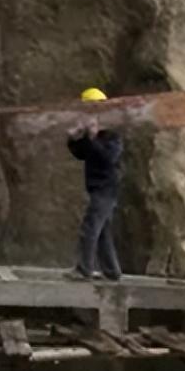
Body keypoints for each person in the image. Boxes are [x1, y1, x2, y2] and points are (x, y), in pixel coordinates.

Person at [64, 87, 124, 281]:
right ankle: (112, 271)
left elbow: (107, 158)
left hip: (107, 189)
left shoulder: (112, 136)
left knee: (90, 227)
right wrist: (73, 140)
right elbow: (82, 153)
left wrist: (92, 138)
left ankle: (84, 270)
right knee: (103, 232)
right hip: (98, 188)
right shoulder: (95, 137)